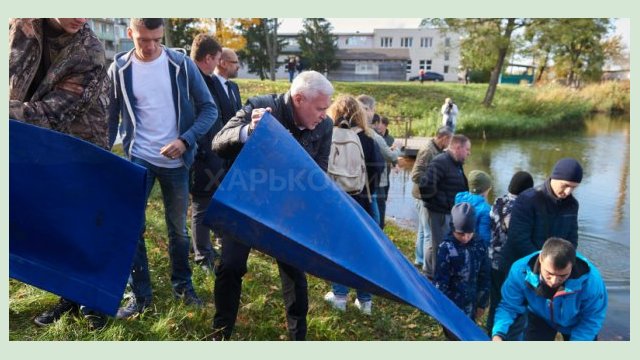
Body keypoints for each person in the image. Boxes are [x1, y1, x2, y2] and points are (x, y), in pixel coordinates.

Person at [107, 18, 218, 319]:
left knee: (178, 231)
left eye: (157, 39)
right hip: (138, 158)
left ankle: (183, 286)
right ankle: (140, 296)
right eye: (143, 39)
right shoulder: (118, 70)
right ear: (130, 33)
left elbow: (209, 108)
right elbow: (111, 116)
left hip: (176, 162)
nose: (151, 46)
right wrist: (104, 156)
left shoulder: (181, 64)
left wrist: (186, 140)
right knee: (131, 226)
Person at [211, 70, 334, 340]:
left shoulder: (325, 126)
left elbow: (319, 172)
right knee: (230, 266)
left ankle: (297, 339)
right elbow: (219, 143)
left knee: (294, 271)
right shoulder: (260, 107)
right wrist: (250, 130)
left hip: (285, 207)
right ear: (299, 99)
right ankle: (220, 335)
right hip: (246, 201)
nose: (324, 114)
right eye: (321, 108)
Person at [10, 17, 112, 331]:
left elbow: (57, 112)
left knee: (85, 226)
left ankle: (91, 301)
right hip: (29, 143)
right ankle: (66, 297)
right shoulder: (20, 24)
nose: (79, 16)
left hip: (82, 147)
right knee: (55, 224)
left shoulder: (91, 50)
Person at [323, 95, 384, 315]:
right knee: (363, 251)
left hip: (336, 202)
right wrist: (367, 187)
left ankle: (339, 297)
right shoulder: (368, 139)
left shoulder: (327, 134)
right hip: (361, 201)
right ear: (359, 114)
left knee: (340, 250)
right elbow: (379, 168)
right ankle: (364, 301)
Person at [492, 237, 607, 341]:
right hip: (540, 318)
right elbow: (509, 306)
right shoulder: (520, 271)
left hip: (577, 322)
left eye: (563, 276)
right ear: (541, 259)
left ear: (572, 265)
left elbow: (591, 319)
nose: (554, 281)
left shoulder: (591, 282)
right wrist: (498, 334)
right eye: (549, 273)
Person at [188, 36, 234, 272]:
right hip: (199, 155)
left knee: (210, 202)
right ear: (208, 58)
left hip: (215, 153)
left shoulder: (209, 80)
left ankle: (205, 247)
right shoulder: (189, 79)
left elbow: (224, 112)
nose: (218, 63)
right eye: (217, 59)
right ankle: (201, 255)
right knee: (201, 205)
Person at [485, 171, 534, 336]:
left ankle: (490, 332)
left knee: (495, 300)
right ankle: (507, 336)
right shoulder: (521, 207)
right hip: (509, 262)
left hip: (492, 258)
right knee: (510, 302)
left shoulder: (499, 200)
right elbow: (518, 238)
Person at [435, 202, 490, 340]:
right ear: (453, 228)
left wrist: (482, 303)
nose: (465, 237)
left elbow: (485, 276)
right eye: (460, 234)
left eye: (469, 233)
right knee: (453, 336)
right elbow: (441, 280)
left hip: (471, 304)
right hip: (451, 305)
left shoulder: (481, 245)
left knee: (467, 335)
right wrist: (442, 306)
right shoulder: (446, 248)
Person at [419, 134, 471, 279]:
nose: (469, 153)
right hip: (441, 213)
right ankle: (438, 278)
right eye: (467, 149)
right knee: (441, 246)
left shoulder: (455, 163)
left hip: (448, 212)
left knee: (437, 243)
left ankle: (429, 272)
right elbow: (425, 185)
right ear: (458, 147)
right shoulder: (441, 162)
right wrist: (443, 204)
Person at [356, 95, 403, 227]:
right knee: (376, 216)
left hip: (362, 183)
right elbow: (390, 156)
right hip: (374, 183)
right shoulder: (373, 136)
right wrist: (398, 148)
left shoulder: (354, 131)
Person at [410, 127, 452, 270]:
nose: (450, 144)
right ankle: (428, 267)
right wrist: (434, 181)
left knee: (423, 229)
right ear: (444, 138)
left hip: (424, 195)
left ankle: (419, 259)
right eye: (449, 140)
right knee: (430, 233)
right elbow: (415, 175)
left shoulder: (438, 150)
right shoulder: (428, 151)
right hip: (422, 196)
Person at [454, 170, 493, 247]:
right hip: (475, 247)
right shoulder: (485, 209)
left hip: (459, 243)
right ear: (486, 190)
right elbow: (484, 237)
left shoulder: (459, 198)